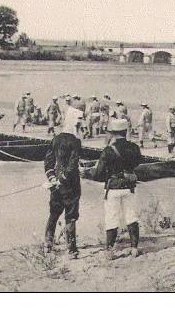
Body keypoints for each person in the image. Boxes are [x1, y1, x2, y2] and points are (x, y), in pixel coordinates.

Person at [83, 118, 143, 260]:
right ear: (125, 131)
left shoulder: (109, 150)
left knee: (112, 218)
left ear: (113, 134)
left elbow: (98, 174)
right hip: (129, 187)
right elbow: (138, 163)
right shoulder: (135, 147)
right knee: (132, 217)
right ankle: (134, 248)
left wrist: (86, 173)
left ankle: (109, 251)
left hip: (113, 188)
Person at [43, 106, 83, 259]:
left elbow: (48, 162)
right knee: (71, 216)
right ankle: (71, 249)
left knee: (53, 214)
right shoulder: (75, 141)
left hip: (55, 186)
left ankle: (48, 245)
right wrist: (63, 179)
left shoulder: (56, 139)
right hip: (71, 185)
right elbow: (73, 165)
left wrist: (53, 178)